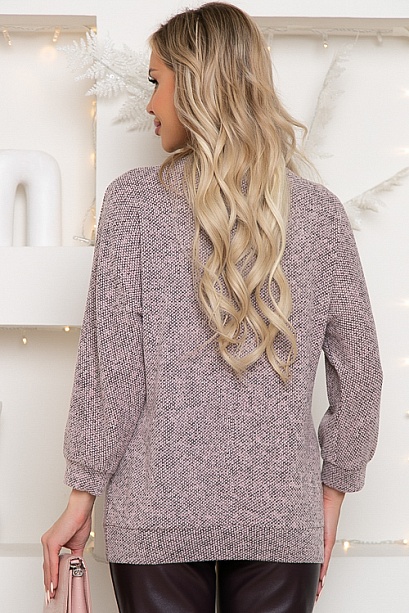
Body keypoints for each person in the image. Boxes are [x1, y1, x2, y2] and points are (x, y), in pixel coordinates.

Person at [41, 3, 382, 612]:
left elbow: (110, 372)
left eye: (157, 81)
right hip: (283, 517)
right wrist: (328, 497)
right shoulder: (320, 215)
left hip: (154, 516)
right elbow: (362, 377)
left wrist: (82, 495)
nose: (150, 103)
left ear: (195, 85)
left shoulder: (134, 206)